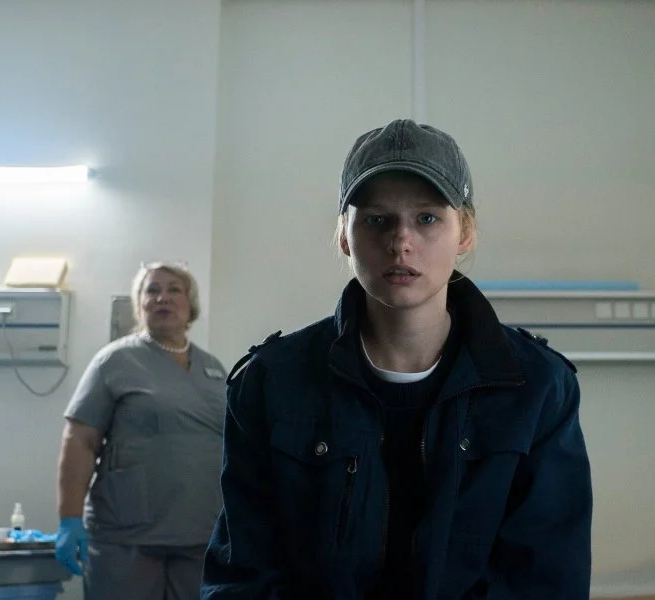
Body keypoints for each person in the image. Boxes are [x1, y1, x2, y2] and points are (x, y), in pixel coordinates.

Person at [202, 119, 593, 599]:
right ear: (344, 236)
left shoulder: (536, 386)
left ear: (465, 232)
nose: (401, 242)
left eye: (427, 219)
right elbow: (244, 574)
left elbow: (546, 578)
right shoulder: (272, 382)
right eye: (376, 220)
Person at [56, 262, 227, 600]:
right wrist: (69, 518)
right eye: (153, 290)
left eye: (174, 290)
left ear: (190, 304)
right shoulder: (114, 362)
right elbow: (80, 441)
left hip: (199, 535)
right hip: (127, 537)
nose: (163, 297)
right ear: (139, 304)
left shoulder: (213, 368)